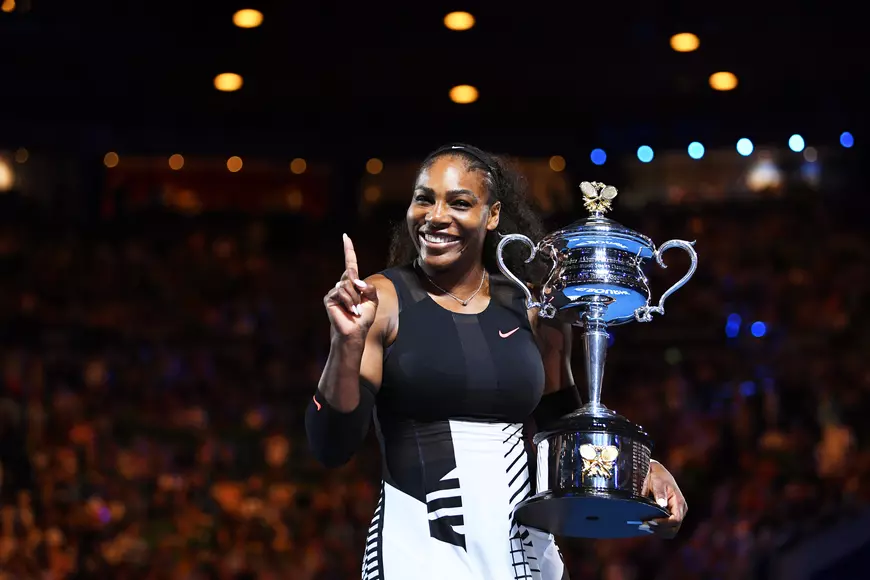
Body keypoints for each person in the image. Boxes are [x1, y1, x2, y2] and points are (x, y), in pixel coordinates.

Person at [306, 143, 688, 579]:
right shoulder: (382, 300)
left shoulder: (533, 305)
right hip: (417, 548)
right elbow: (331, 447)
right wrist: (346, 344)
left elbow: (558, 423)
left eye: (460, 202)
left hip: (520, 551)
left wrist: (638, 467)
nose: (436, 216)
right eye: (423, 198)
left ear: (492, 215)